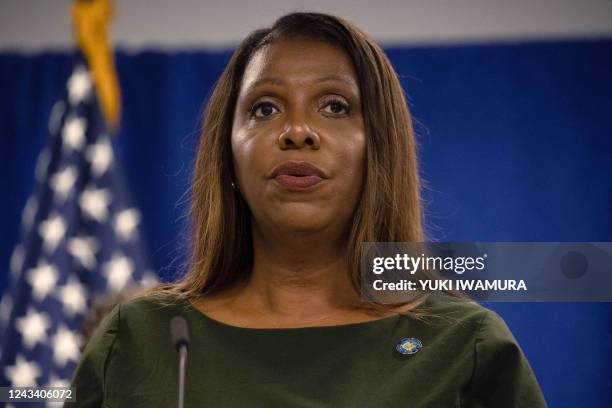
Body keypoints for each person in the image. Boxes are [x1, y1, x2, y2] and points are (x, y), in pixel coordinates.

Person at [66, 12, 547, 407]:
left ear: (379, 151)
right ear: (228, 155)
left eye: (335, 106)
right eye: (265, 108)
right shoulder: (138, 338)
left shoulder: (465, 345)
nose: (297, 131)